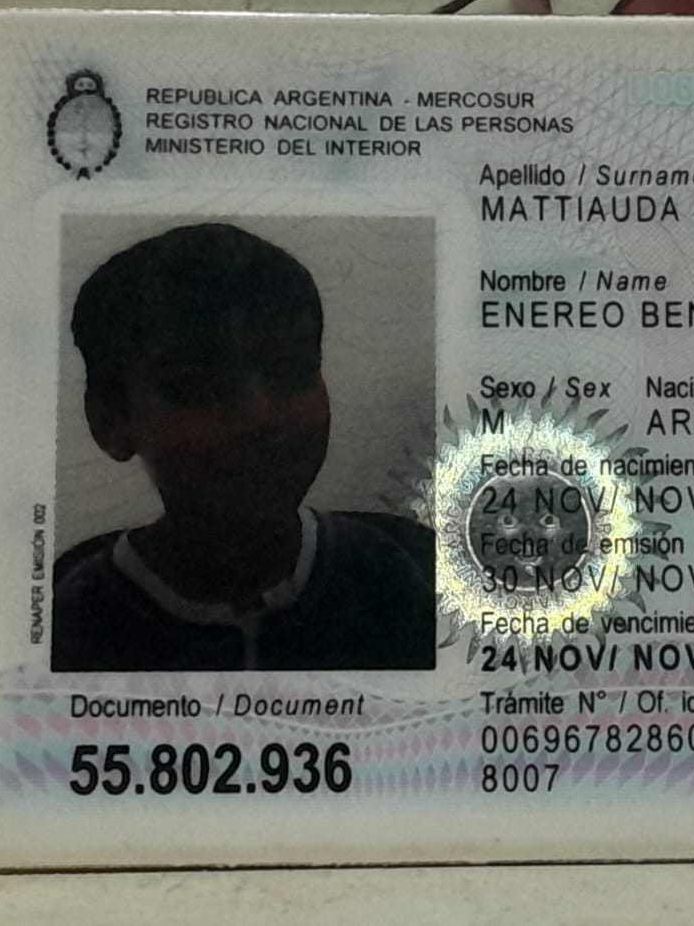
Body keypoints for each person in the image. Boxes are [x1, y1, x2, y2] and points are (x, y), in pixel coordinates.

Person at [52, 222, 436, 671]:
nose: (259, 417)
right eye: (197, 387)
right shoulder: (75, 625)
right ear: (110, 421)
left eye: (291, 370)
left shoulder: (391, 579)